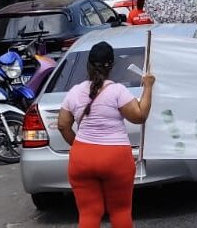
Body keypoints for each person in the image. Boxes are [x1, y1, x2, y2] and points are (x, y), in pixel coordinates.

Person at [56, 41, 155, 228]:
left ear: (88, 64)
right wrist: (148, 86)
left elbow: (62, 125)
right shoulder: (117, 91)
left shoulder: (74, 92)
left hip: (82, 157)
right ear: (112, 65)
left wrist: (79, 145)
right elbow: (140, 115)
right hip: (115, 158)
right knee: (120, 211)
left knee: (89, 213)